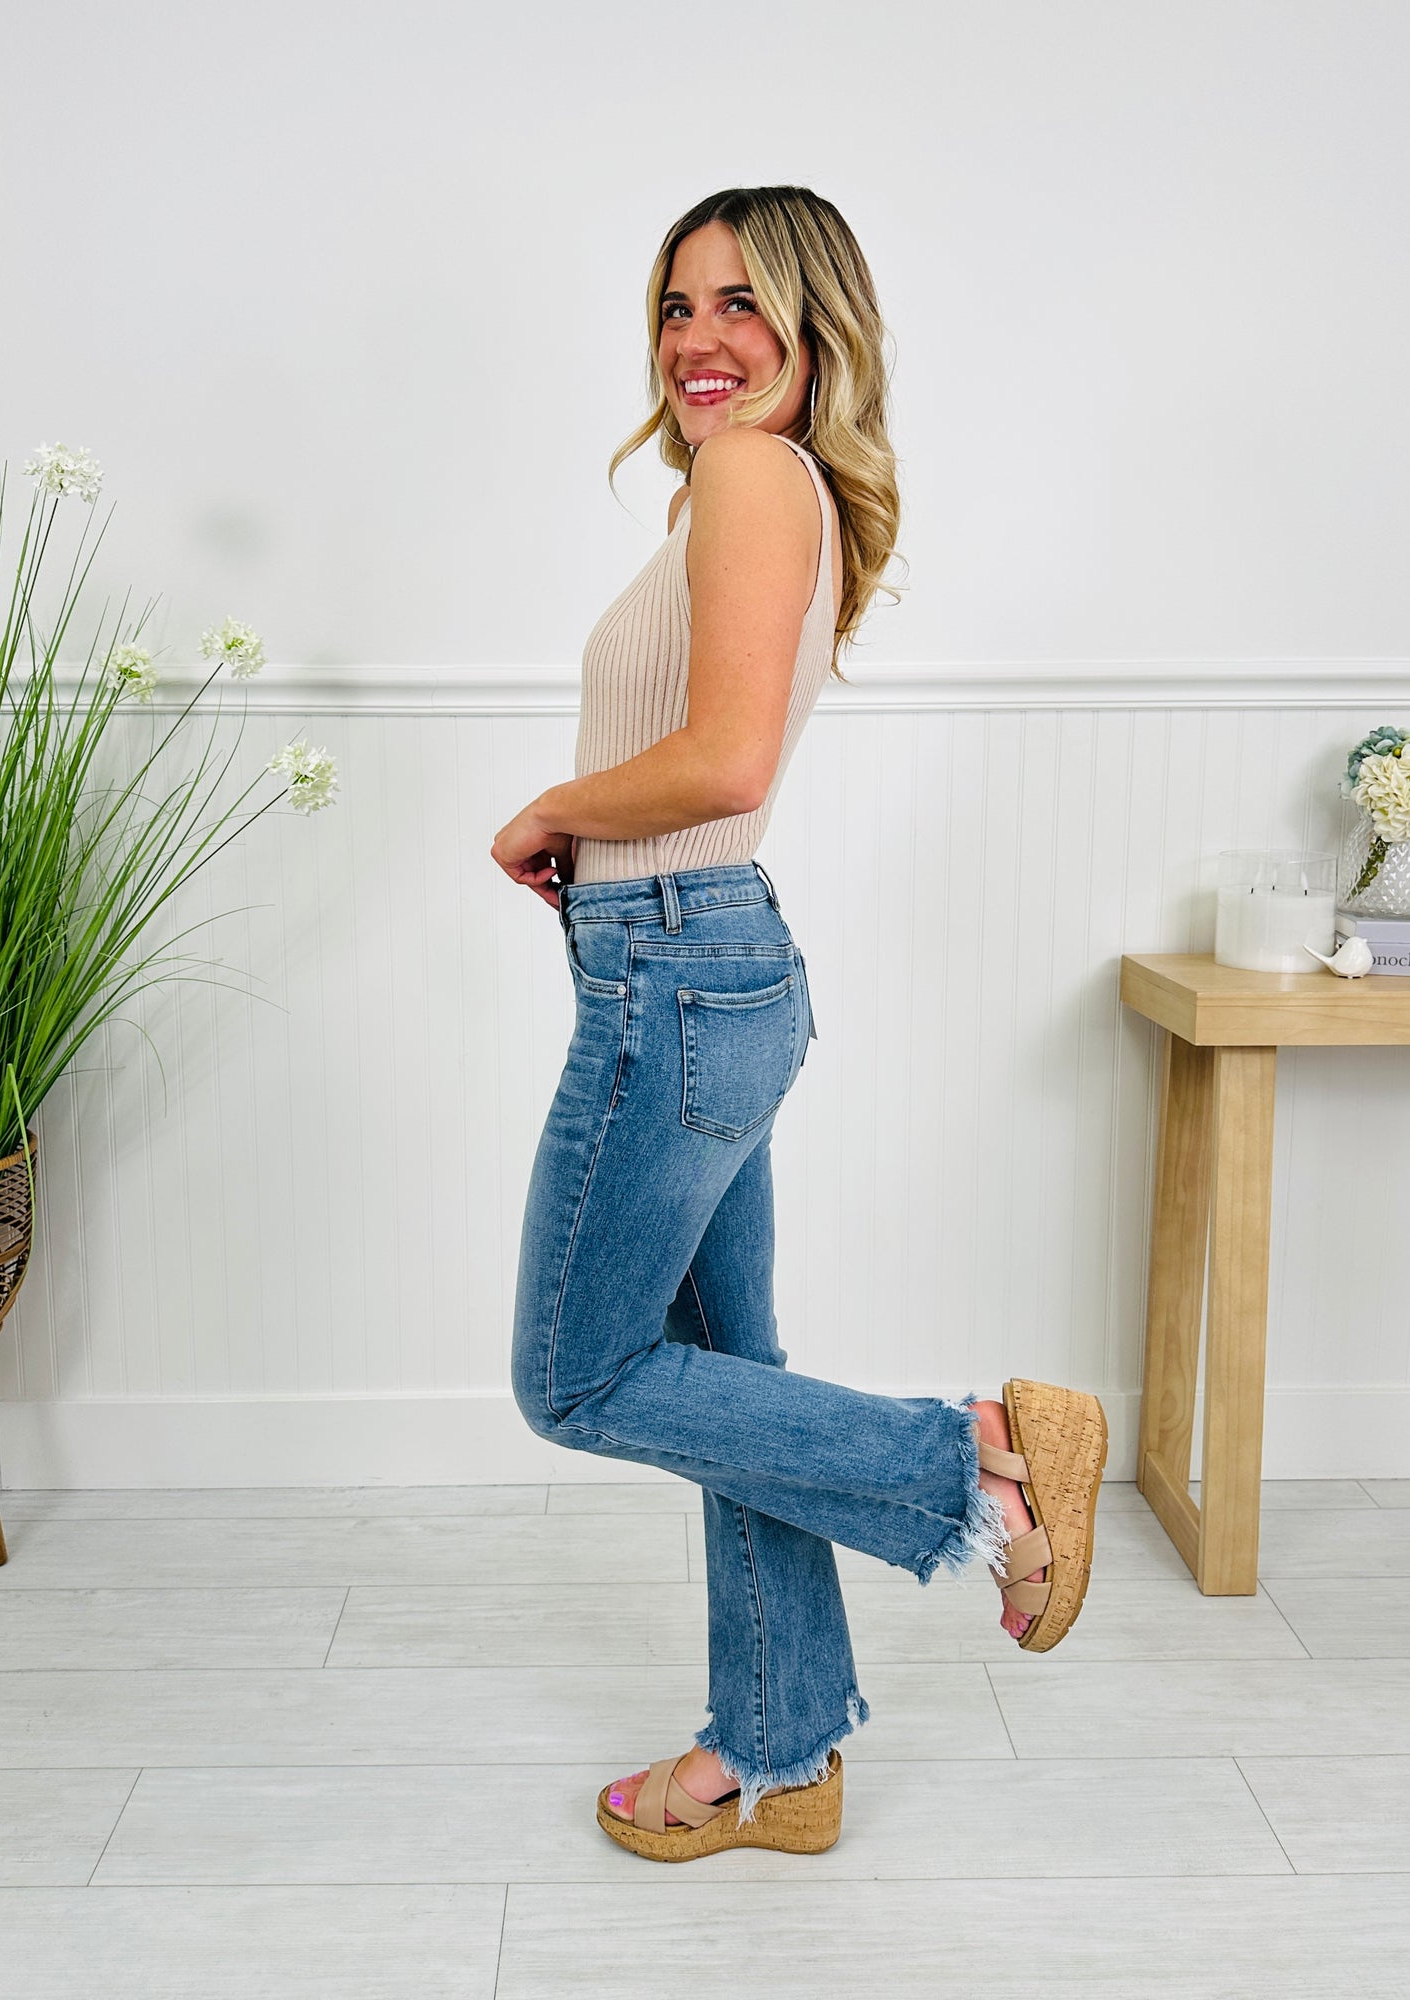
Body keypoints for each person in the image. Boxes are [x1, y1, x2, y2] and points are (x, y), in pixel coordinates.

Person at [491, 185, 1106, 1864]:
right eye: (675, 306)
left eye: (741, 302)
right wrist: (599, 854)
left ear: (818, 326)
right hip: (693, 964)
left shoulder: (754, 479)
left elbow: (728, 760)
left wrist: (552, 806)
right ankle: (780, 1752)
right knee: (720, 1377)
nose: (699, 340)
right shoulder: (752, 484)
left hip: (678, 972)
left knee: (576, 1376)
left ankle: (978, 1464)